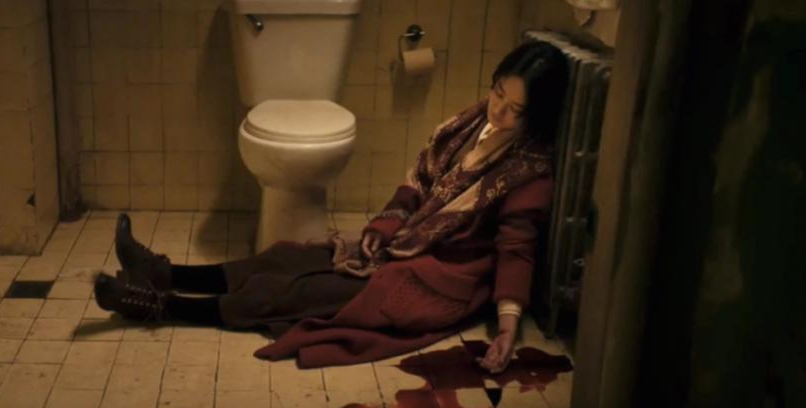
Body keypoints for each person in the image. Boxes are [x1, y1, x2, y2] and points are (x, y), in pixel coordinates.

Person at [94, 40, 570, 372]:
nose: (498, 110)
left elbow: (517, 249)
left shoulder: (528, 173)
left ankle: (160, 306)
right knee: (284, 258)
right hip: (404, 247)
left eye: (515, 109)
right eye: (498, 93)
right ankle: (164, 272)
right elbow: (417, 185)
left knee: (299, 291)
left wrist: (507, 327)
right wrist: (383, 227)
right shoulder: (470, 124)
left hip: (438, 276)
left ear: (537, 116)